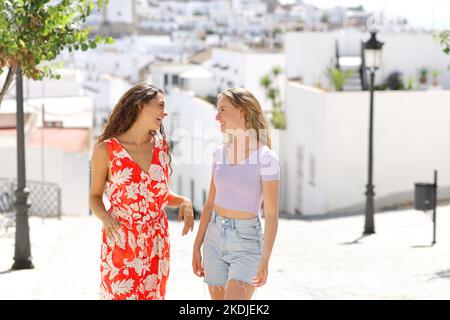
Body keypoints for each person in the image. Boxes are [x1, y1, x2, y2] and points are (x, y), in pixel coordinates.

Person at [89, 83, 194, 300]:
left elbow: (159, 194)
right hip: (121, 240)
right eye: (160, 105)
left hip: (156, 243)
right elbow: (94, 197)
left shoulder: (162, 147)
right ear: (140, 106)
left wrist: (183, 200)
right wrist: (106, 219)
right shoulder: (105, 150)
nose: (165, 113)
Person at [192, 87, 280, 300]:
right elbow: (209, 204)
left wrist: (265, 259)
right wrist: (197, 246)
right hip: (214, 238)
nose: (217, 116)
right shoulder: (218, 153)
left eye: (222, 109)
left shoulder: (266, 158)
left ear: (241, 111)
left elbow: (271, 215)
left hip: (246, 242)